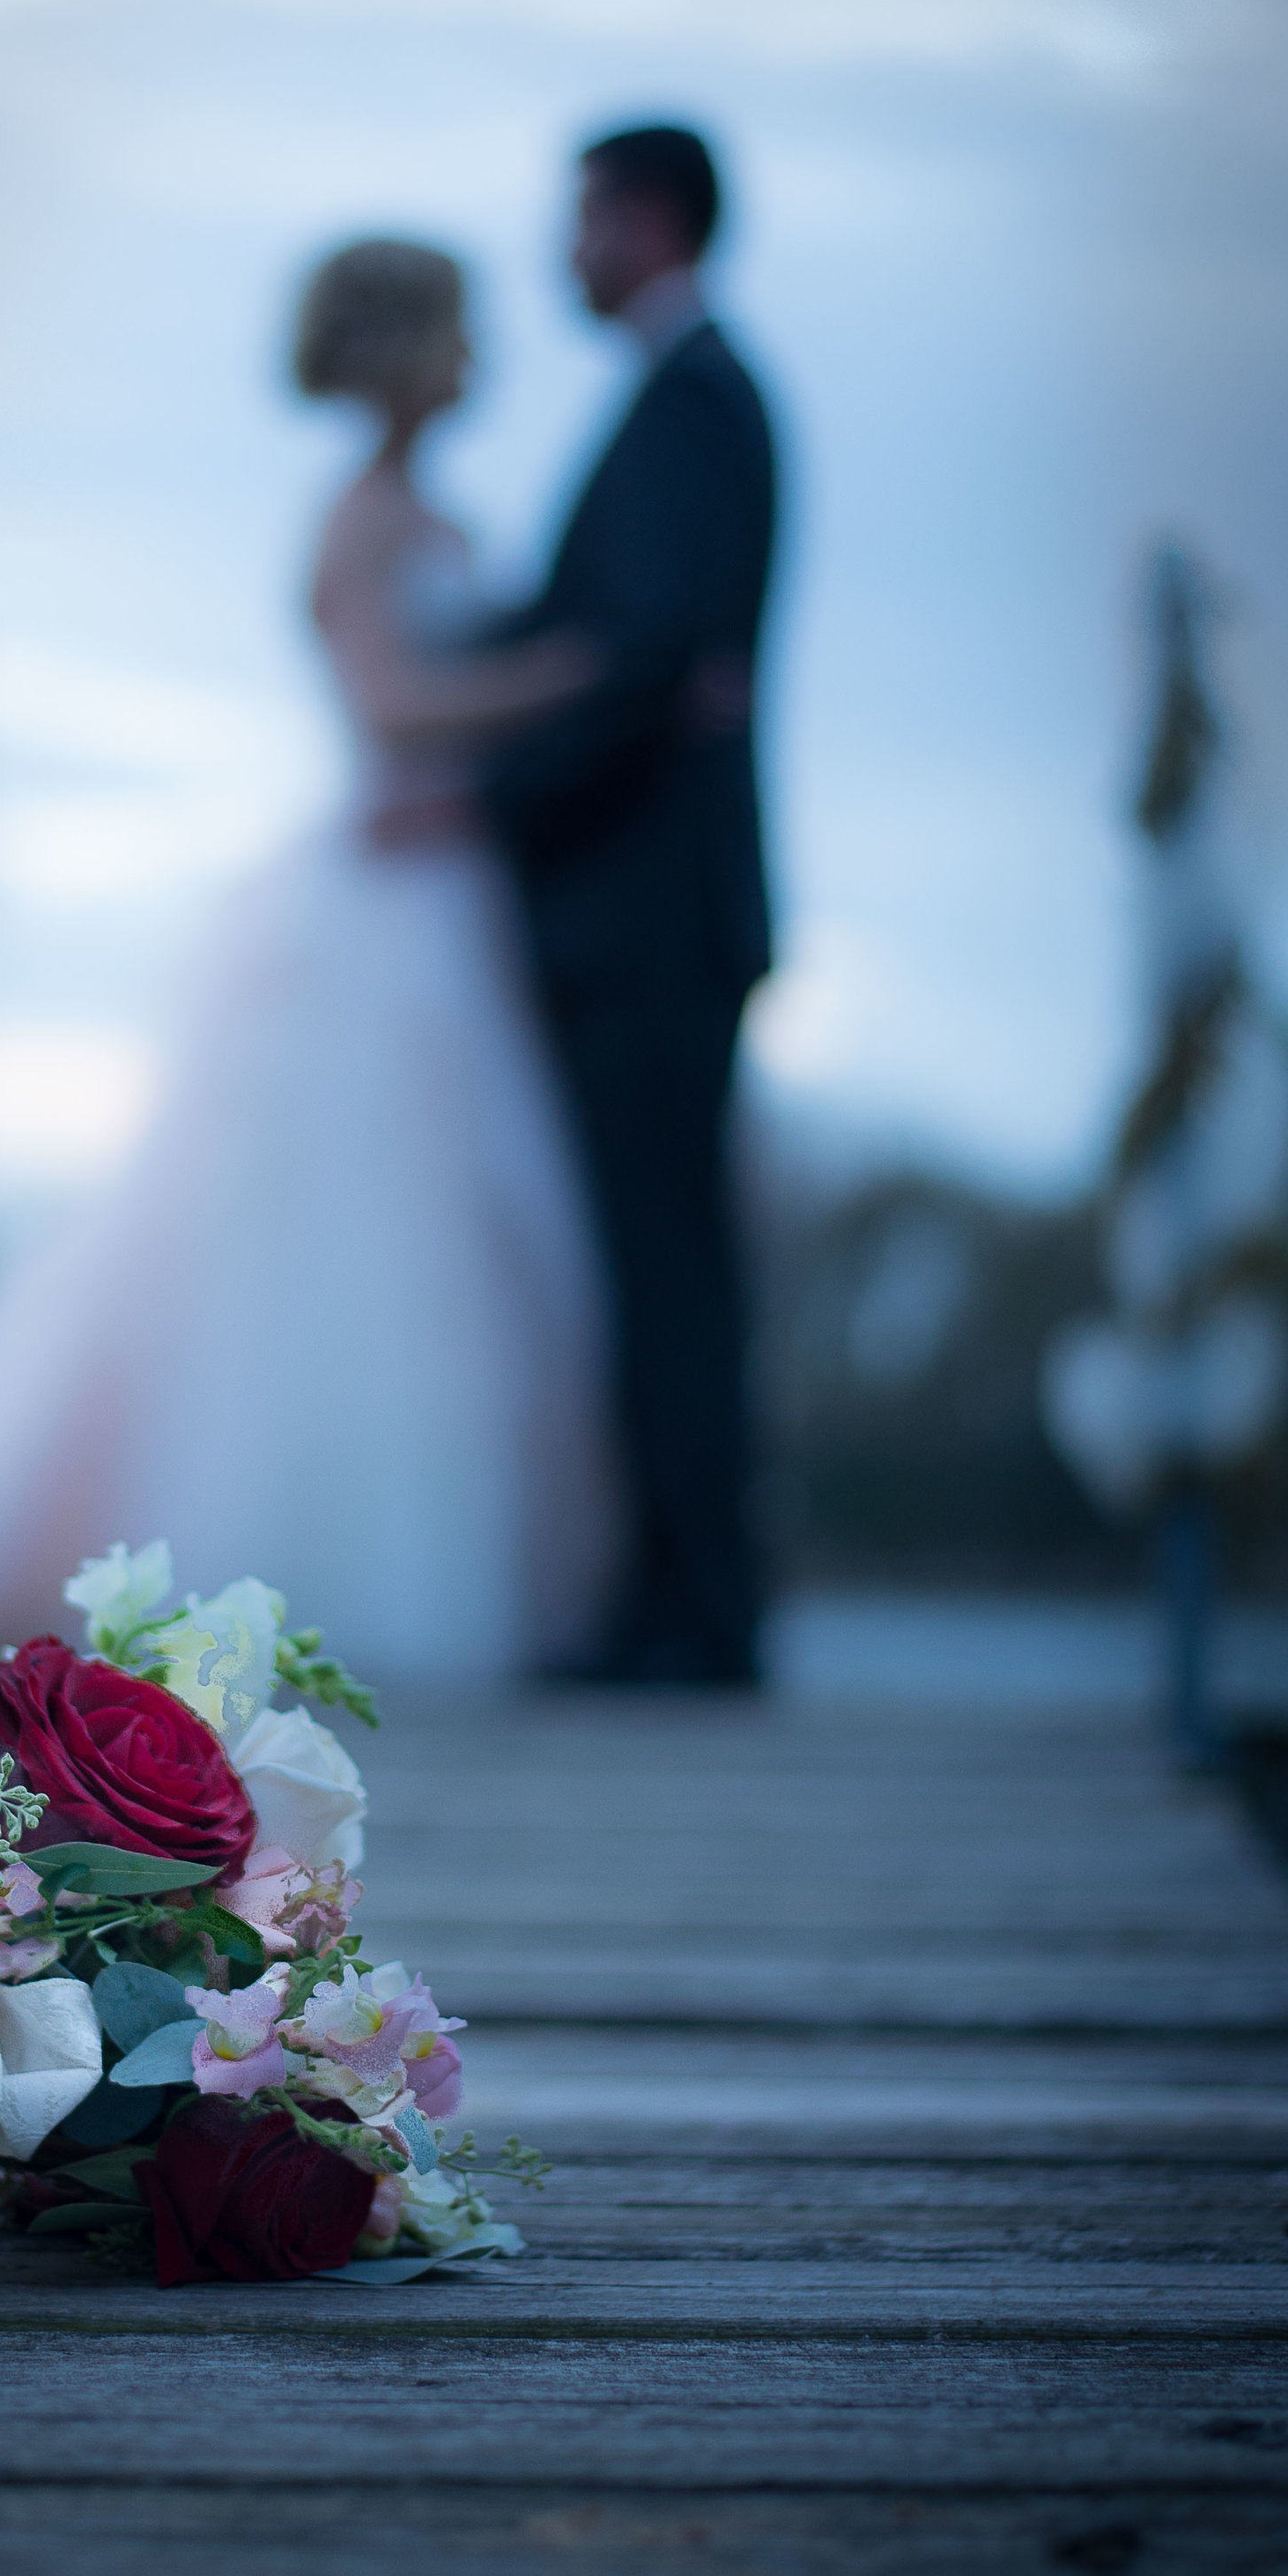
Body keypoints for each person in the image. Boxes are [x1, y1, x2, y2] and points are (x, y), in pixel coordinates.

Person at [0, 239, 615, 1679]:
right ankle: (308, 1579)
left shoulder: (432, 513)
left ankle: (455, 1578)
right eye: (461, 336)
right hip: (376, 906)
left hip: (447, 894)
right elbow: (391, 700)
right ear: (405, 353)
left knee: (462, 1253)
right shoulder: (357, 523)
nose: (481, 363)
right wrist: (572, 678)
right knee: (349, 1240)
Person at [485, 124, 779, 1686]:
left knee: (666, 1266)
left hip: (649, 918)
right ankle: (684, 1599)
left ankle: (696, 1614)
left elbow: (648, 650)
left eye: (585, 217)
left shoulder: (695, 402)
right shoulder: (690, 399)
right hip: (652, 916)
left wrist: (482, 798)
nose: (568, 248)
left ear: (649, 219)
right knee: (659, 1260)